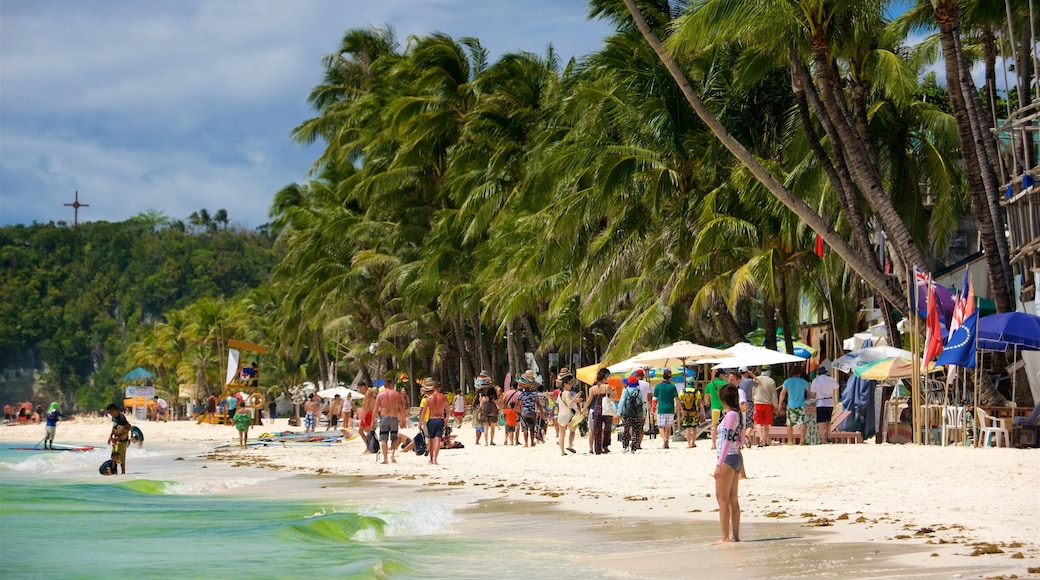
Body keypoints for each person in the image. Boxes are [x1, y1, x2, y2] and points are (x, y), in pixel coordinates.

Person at [713, 384, 745, 544]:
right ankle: (735, 536)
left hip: (727, 459)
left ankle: (725, 537)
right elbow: (741, 439)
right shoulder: (738, 415)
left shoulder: (731, 415)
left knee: (722, 498)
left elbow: (727, 440)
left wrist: (719, 463)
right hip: (736, 458)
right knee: (732, 499)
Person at [374, 379, 407, 464]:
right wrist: (403, 420)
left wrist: (372, 421)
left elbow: (375, 409)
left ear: (384, 386)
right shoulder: (397, 394)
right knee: (394, 437)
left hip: (384, 417)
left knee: (383, 438)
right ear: (391, 385)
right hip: (394, 417)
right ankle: (392, 454)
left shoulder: (380, 395)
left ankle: (385, 459)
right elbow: (401, 408)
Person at [584, 368, 613, 455]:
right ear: (604, 377)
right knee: (604, 430)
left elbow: (589, 400)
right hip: (605, 409)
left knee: (594, 430)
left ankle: (593, 449)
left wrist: (584, 408)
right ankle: (603, 447)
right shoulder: (607, 387)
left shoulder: (592, 388)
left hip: (594, 409)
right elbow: (613, 397)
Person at [779, 367, 810, 444]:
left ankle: (790, 441)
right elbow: (810, 393)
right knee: (803, 422)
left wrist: (780, 404)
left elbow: (783, 393)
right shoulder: (804, 382)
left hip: (791, 404)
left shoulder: (787, 382)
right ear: (799, 374)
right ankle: (802, 440)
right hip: (801, 404)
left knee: (789, 423)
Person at [422, 379, 449, 465]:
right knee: (438, 440)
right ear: (440, 388)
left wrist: (420, 422)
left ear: (433, 388)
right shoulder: (443, 397)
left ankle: (430, 459)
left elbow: (424, 411)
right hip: (440, 419)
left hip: (431, 419)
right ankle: (435, 459)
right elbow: (448, 411)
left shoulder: (429, 398)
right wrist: (447, 419)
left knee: (431, 440)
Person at [653, 369, 681, 449]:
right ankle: (666, 440)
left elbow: (654, 399)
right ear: (670, 377)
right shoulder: (672, 386)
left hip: (661, 409)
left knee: (660, 426)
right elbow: (676, 398)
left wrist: (653, 409)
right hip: (670, 408)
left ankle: (665, 439)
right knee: (668, 426)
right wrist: (679, 408)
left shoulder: (658, 386)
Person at [516, 370, 544, 448]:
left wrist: (516, 411)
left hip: (524, 412)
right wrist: (542, 412)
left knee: (525, 428)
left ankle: (526, 443)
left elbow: (517, 404)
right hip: (532, 412)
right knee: (532, 428)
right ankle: (532, 442)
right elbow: (538, 404)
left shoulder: (521, 394)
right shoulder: (534, 394)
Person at [617, 375, 645, 453]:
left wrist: (619, 412)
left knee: (626, 429)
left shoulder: (625, 391)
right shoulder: (639, 391)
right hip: (637, 414)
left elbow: (622, 402)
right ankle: (633, 447)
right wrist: (644, 414)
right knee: (636, 430)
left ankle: (625, 446)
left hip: (627, 413)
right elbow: (642, 403)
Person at [555, 372, 582, 455]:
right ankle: (570, 445)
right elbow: (569, 404)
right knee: (572, 430)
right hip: (568, 414)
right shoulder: (567, 393)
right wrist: (576, 397)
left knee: (562, 434)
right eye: (569, 384)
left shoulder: (560, 393)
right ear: (565, 384)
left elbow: (558, 403)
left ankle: (562, 451)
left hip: (560, 414)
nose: (571, 385)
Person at [810, 367, 838, 443]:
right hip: (829, 402)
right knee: (828, 420)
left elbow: (813, 393)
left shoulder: (815, 381)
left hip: (820, 402)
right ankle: (828, 435)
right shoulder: (830, 379)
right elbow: (836, 387)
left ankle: (823, 439)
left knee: (821, 422)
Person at [752, 369, 779, 446]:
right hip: (768, 404)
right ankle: (765, 439)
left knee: (758, 422)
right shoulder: (771, 381)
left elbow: (753, 392)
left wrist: (753, 400)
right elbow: (774, 395)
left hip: (758, 403)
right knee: (767, 423)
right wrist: (776, 406)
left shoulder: (755, 379)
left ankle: (761, 439)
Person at [704, 369, 727, 450]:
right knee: (725, 426)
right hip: (724, 408)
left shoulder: (710, 385)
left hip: (714, 408)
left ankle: (713, 444)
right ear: (721, 375)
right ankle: (724, 443)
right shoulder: (725, 384)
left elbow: (706, 398)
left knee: (714, 426)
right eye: (724, 375)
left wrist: (707, 402)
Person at [106, 403, 131, 475]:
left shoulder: (121, 417)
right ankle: (114, 471)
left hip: (123, 439)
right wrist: (110, 436)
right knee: (114, 455)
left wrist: (119, 437)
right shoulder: (114, 417)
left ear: (115, 410)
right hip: (116, 439)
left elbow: (128, 428)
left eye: (110, 412)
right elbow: (114, 427)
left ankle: (123, 472)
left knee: (121, 457)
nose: (110, 414)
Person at [678, 381, 703, 448]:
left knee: (687, 428)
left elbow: (679, 400)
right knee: (694, 427)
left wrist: (680, 409)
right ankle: (693, 442)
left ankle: (688, 443)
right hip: (694, 412)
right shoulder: (696, 392)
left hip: (685, 412)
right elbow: (700, 402)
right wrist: (703, 412)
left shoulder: (682, 391)